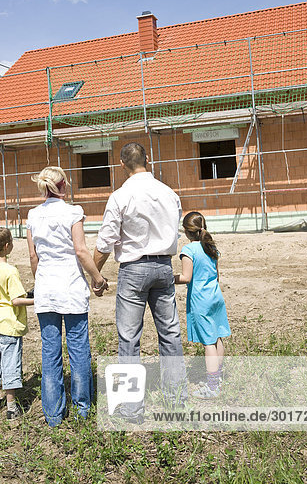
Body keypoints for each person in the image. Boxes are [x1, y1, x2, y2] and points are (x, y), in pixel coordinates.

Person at [93, 142, 186, 419]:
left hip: (133, 269)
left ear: (121, 164)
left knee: (129, 338)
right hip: (164, 267)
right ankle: (175, 399)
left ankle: (132, 406)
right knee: (170, 334)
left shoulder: (120, 196)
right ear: (148, 160)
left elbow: (106, 241)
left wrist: (95, 277)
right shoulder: (169, 194)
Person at [26, 166, 107, 427]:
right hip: (71, 287)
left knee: (50, 351)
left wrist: (40, 282)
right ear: (62, 186)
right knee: (79, 349)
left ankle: (53, 414)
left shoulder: (32, 215)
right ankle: (82, 409)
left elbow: (33, 257)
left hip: (46, 289)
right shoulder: (73, 212)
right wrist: (97, 277)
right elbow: (81, 251)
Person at [0, 227, 34, 420]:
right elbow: (16, 300)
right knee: (10, 362)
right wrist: (38, 299)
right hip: (9, 323)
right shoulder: (10, 271)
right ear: (7, 246)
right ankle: (11, 406)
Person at [175, 211, 231, 398]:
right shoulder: (211, 247)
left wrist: (168, 278)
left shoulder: (188, 251)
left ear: (186, 231)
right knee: (217, 338)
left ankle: (213, 387)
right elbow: (217, 274)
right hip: (216, 296)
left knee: (208, 343)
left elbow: (186, 277)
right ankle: (218, 375)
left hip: (201, 300)